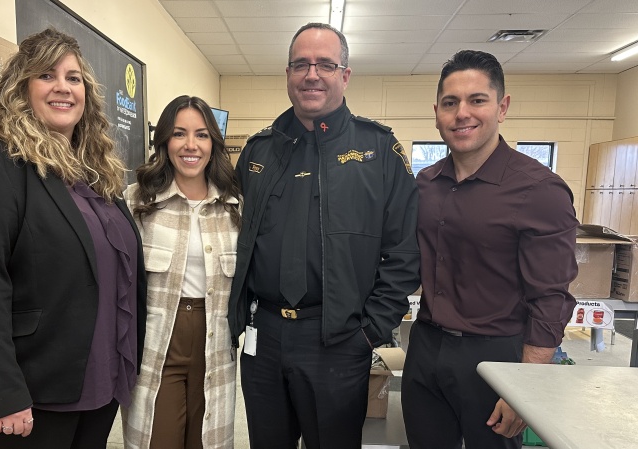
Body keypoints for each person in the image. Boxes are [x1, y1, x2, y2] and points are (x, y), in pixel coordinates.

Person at [0, 28, 147, 448]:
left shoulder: (96, 173)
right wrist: (4, 392)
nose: (63, 87)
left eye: (73, 77)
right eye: (47, 75)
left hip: (95, 379)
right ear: (21, 87)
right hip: (28, 386)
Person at [227, 23, 421, 448]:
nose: (312, 74)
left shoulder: (379, 151)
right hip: (265, 335)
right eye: (301, 64)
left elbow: (405, 252)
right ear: (288, 74)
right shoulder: (259, 152)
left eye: (325, 65)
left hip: (338, 339)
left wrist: (371, 330)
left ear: (345, 75)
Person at [401, 50, 579, 449]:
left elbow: (551, 297)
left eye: (477, 100)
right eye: (451, 103)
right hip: (425, 346)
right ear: (437, 112)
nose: (462, 113)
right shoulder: (424, 185)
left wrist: (526, 387)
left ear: (502, 107)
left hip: (497, 356)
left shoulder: (539, 190)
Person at [122, 95, 242, 449]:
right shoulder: (136, 202)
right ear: (164, 141)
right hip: (157, 344)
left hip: (215, 343)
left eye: (202, 135)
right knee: (156, 440)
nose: (191, 145)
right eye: (179, 134)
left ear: (213, 143)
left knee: (207, 441)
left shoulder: (235, 206)